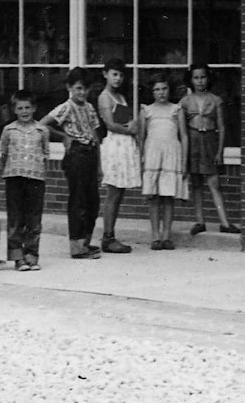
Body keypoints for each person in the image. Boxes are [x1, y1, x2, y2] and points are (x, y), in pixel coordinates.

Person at [42, 69, 103, 260]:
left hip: (90, 154)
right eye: (78, 88)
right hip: (76, 155)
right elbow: (43, 124)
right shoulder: (66, 107)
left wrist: (100, 165)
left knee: (92, 201)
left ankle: (85, 242)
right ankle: (76, 246)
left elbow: (95, 136)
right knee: (78, 200)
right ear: (69, 87)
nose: (82, 93)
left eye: (85, 88)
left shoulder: (90, 108)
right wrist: (63, 136)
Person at [180, 63, 236, 235]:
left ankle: (225, 222)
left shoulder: (215, 100)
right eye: (196, 78)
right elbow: (183, 131)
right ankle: (199, 221)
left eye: (203, 77)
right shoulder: (184, 102)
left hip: (210, 140)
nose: (200, 81)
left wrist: (220, 151)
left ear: (208, 78)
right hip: (193, 141)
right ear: (191, 80)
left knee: (214, 182)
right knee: (196, 183)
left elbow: (222, 127)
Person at [0, 90, 49, 271]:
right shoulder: (9, 130)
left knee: (34, 218)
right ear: (14, 110)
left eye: (27, 107)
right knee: (16, 218)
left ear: (34, 108)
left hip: (35, 178)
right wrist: (12, 168)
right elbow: (3, 154)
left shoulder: (42, 131)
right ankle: (18, 258)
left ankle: (31, 254)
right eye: (20, 108)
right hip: (14, 178)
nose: (24, 111)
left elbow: (45, 153)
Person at [137, 74, 189, 250]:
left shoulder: (176, 109)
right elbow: (141, 137)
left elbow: (184, 135)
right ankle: (155, 236)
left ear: (169, 90)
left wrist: (184, 162)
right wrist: (141, 160)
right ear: (152, 92)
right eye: (157, 89)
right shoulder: (147, 110)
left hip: (171, 154)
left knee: (168, 197)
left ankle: (167, 235)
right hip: (153, 153)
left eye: (164, 88)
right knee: (154, 197)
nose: (161, 93)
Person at [94, 59, 141, 253]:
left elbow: (127, 120)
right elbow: (110, 124)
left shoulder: (121, 96)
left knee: (119, 192)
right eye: (114, 74)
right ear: (105, 74)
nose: (118, 78)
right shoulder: (105, 97)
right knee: (113, 192)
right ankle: (107, 237)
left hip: (125, 145)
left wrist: (134, 126)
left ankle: (111, 234)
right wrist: (131, 130)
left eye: (121, 75)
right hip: (115, 145)